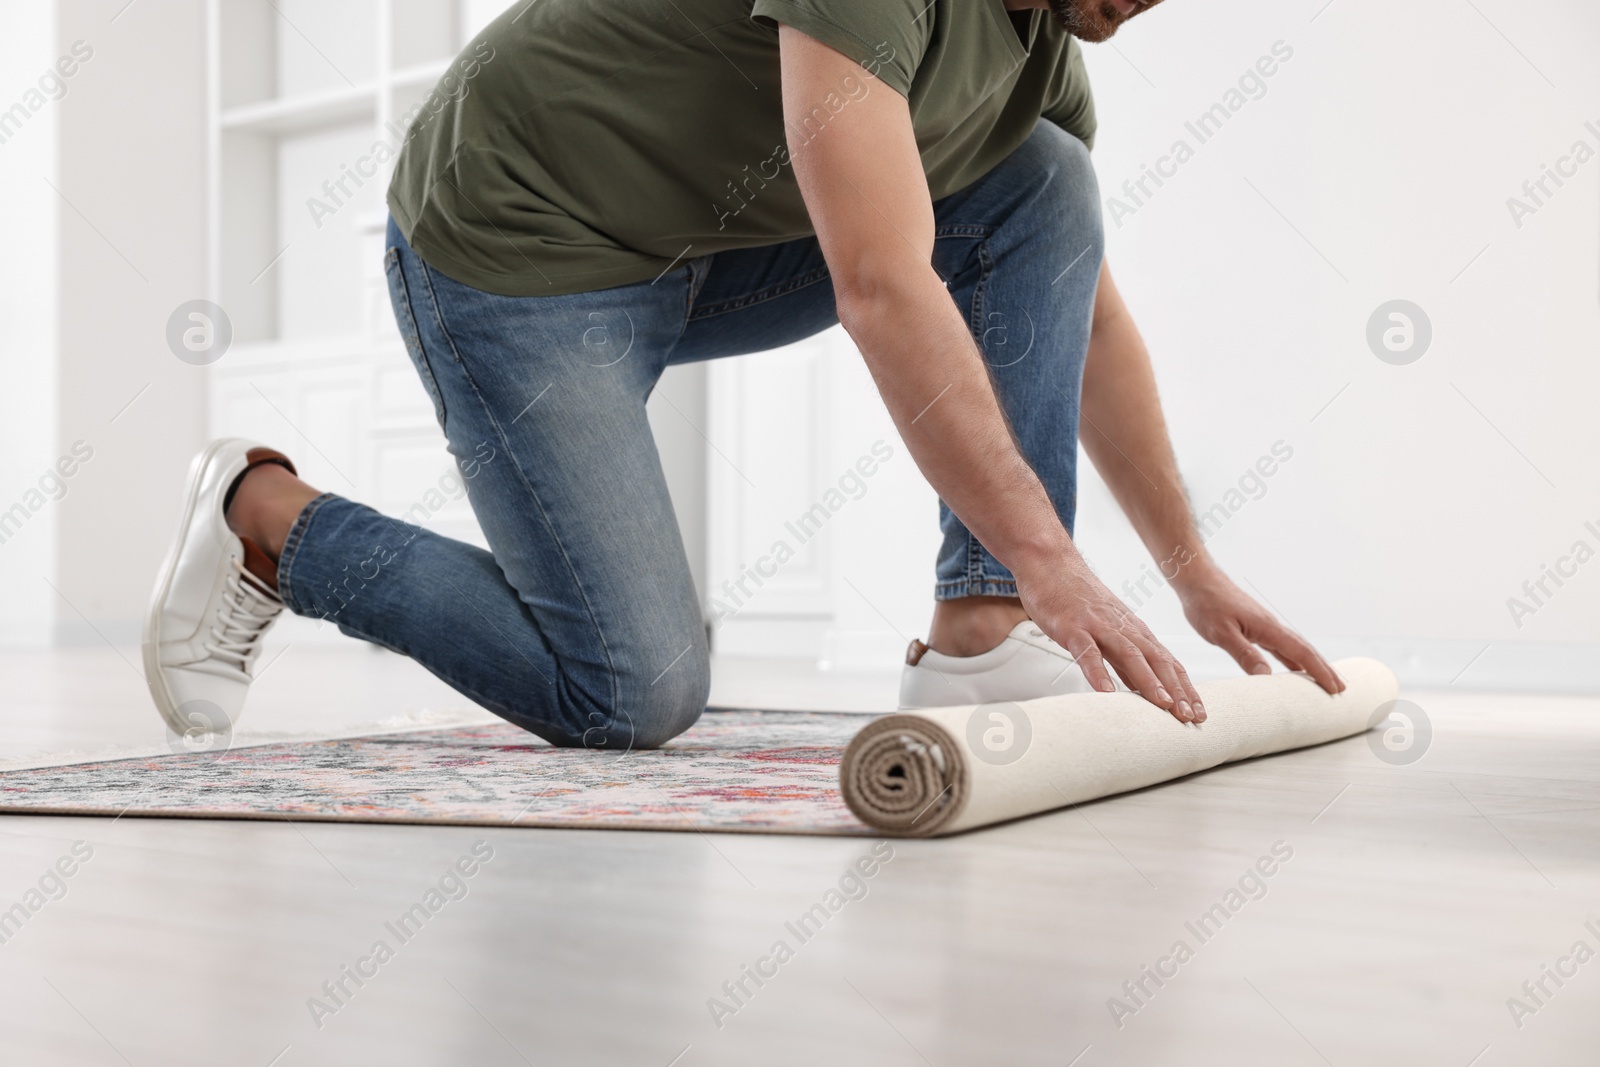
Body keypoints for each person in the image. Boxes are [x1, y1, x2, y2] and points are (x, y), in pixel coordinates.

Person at [142, 0, 1343, 751]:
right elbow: (878, 284)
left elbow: (1081, 320)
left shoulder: (1036, 49)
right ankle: (266, 518)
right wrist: (1055, 553)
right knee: (627, 693)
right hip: (518, 251)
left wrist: (1188, 566)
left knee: (1044, 181)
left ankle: (982, 630)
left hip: (693, 253)